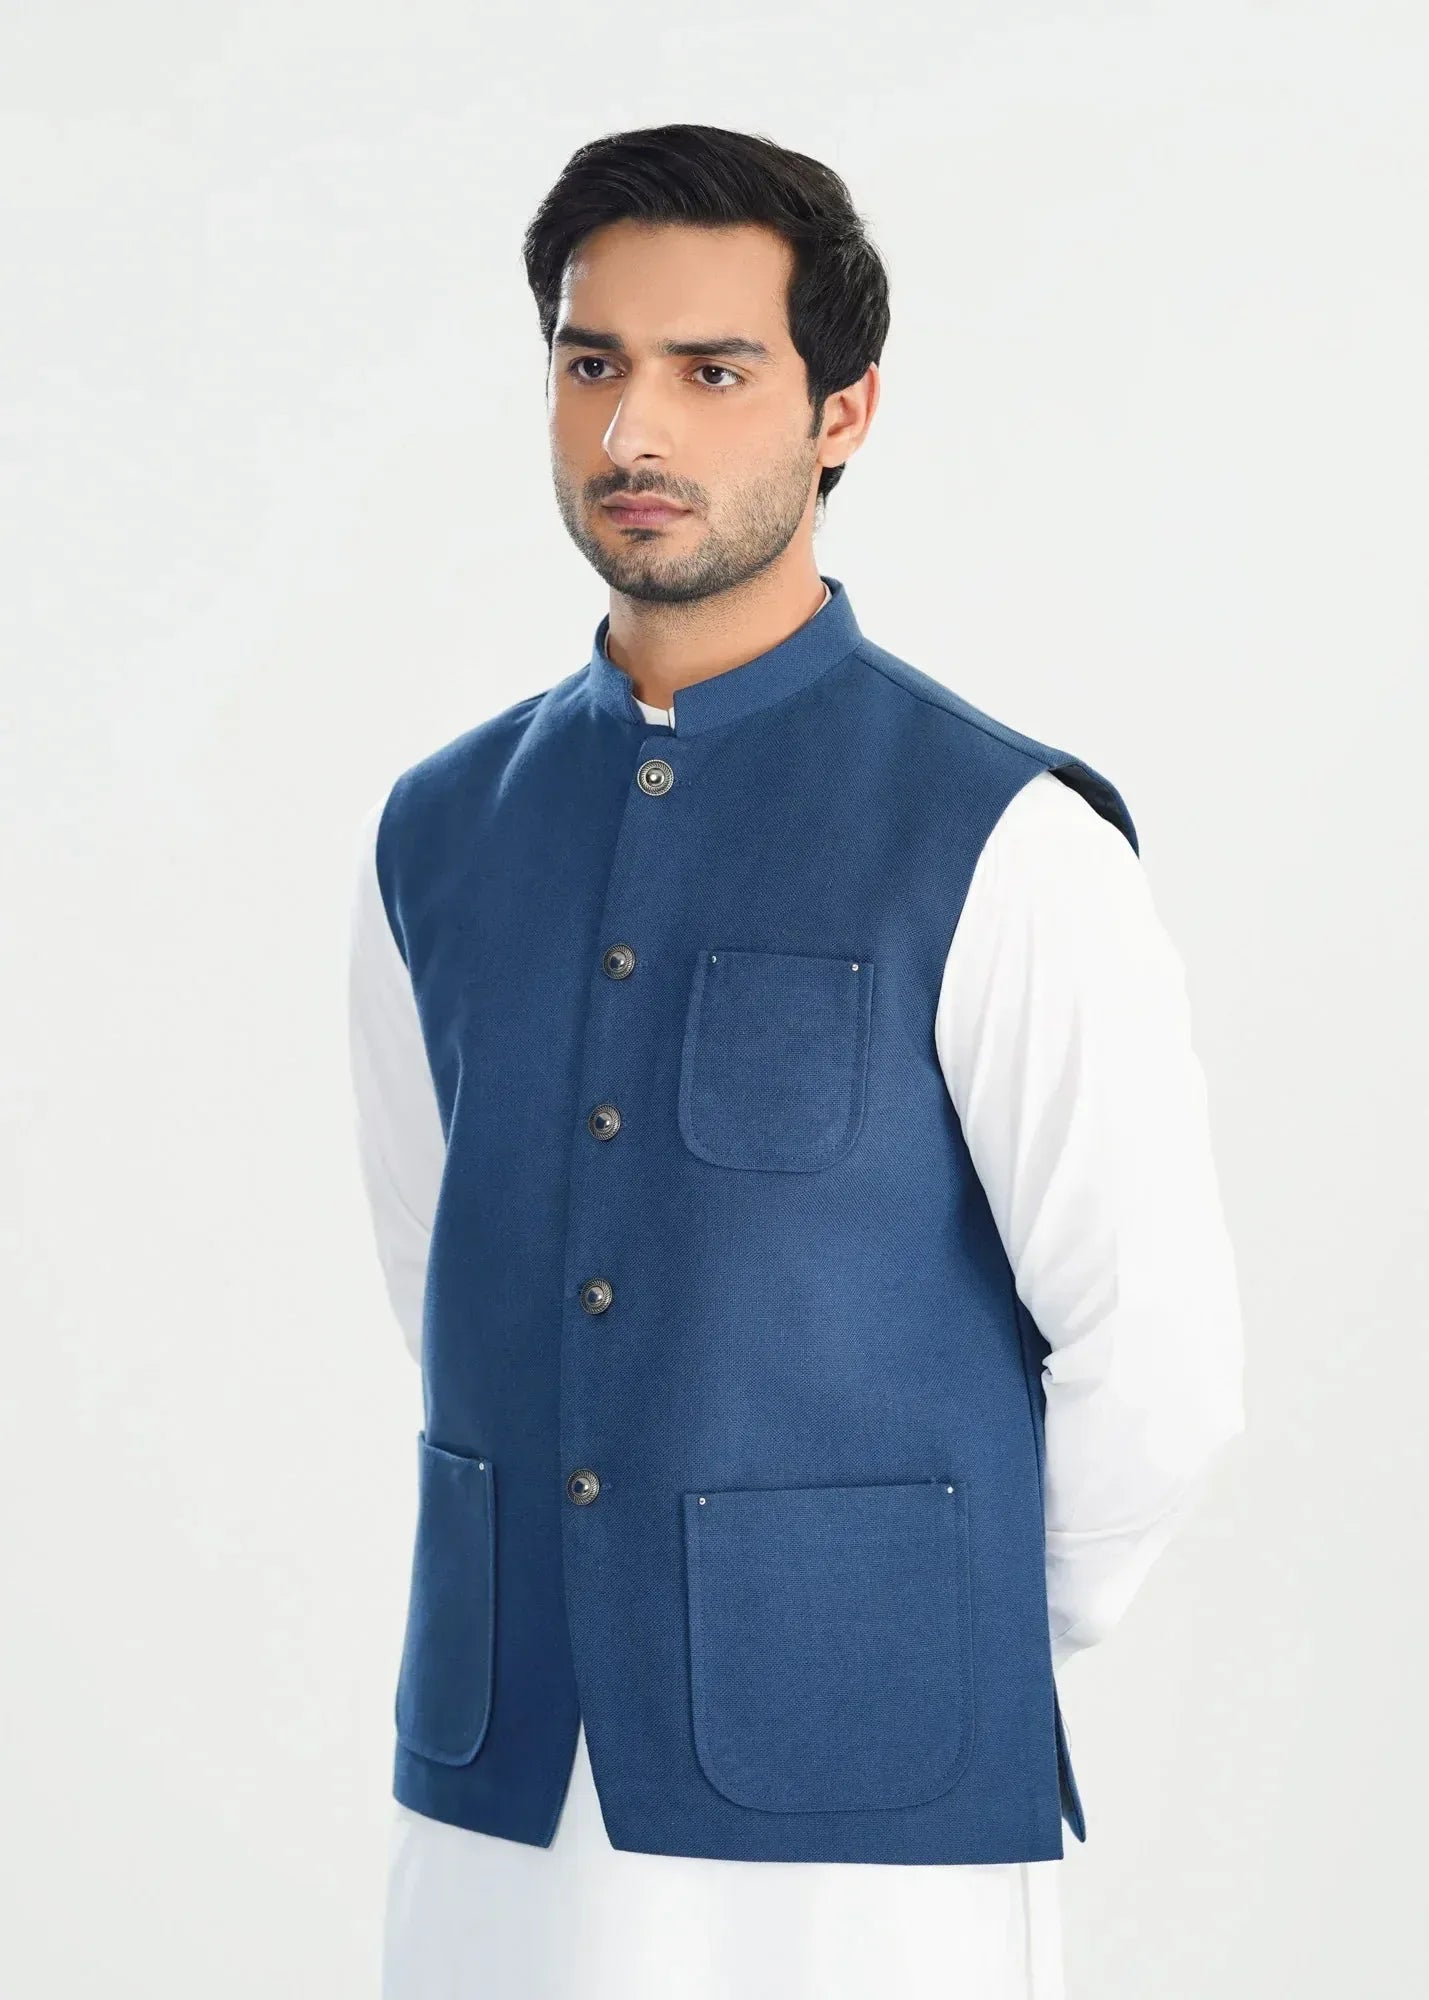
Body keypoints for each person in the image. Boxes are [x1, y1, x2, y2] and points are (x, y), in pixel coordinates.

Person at [347, 122, 1245, 2000]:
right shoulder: (436, 831)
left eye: (710, 371)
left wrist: (911, 1622)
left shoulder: (1005, 841)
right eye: (591, 364)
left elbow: (1155, 1356)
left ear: (841, 412)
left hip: (869, 1839)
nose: (630, 432)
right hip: (505, 1793)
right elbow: (441, 1268)